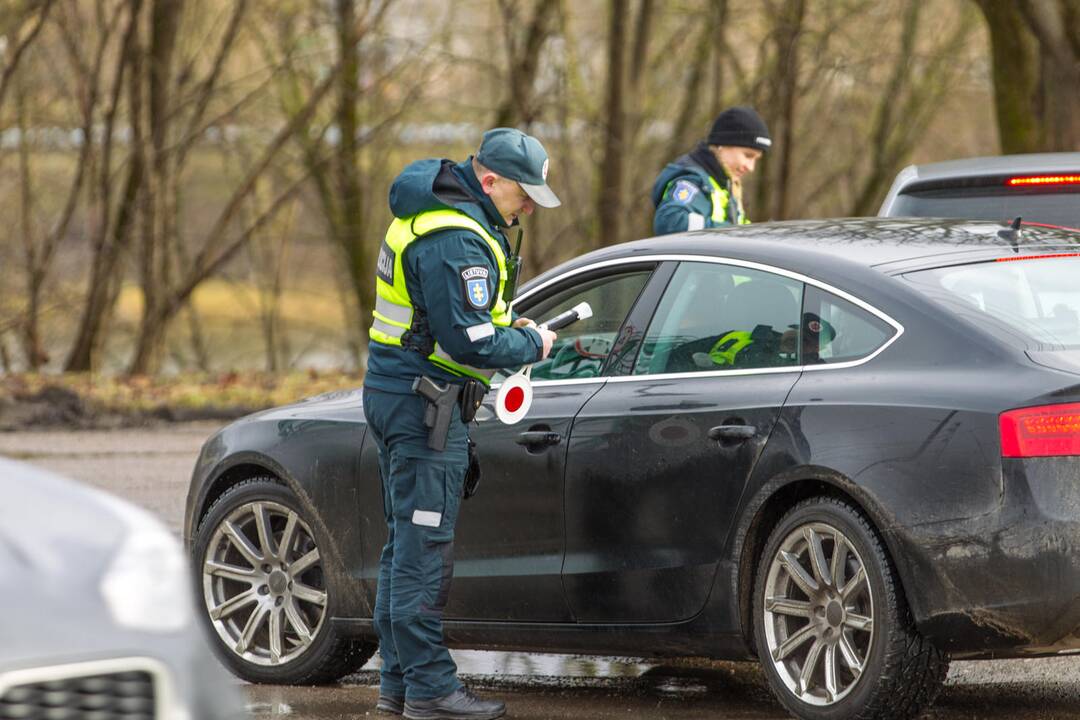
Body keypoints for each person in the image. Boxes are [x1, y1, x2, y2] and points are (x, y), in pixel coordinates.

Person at [361, 128, 559, 720]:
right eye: (523, 195)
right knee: (424, 552)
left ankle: (397, 688)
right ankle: (431, 691)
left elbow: (461, 315)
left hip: (405, 394)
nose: (528, 208)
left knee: (405, 547)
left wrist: (505, 321)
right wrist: (532, 341)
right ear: (489, 179)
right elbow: (467, 339)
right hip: (426, 405)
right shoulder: (455, 237)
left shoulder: (438, 215)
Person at [651, 106, 771, 235]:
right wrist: (733, 233)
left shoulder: (723, 183)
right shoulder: (693, 181)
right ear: (722, 146)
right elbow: (670, 222)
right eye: (748, 155)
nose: (751, 167)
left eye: (756, 159)